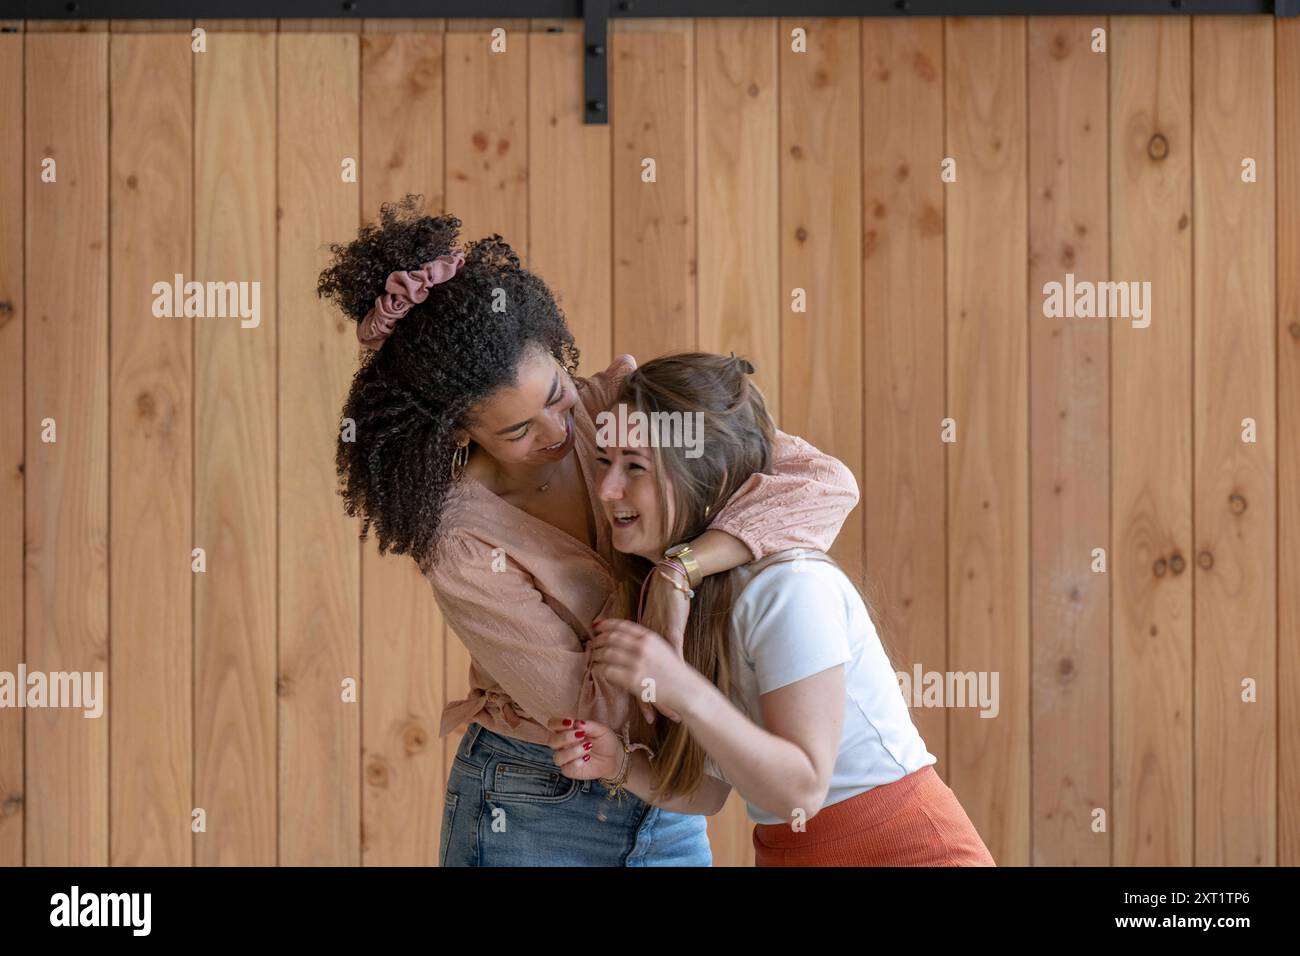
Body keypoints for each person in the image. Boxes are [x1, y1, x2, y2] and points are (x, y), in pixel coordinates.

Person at [318, 198, 860, 865]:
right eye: (518, 431)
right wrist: (703, 710)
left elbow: (822, 483)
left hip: (670, 790)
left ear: (556, 350)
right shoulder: (462, 543)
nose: (559, 433)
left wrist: (680, 569)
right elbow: (600, 712)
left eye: (555, 395)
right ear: (457, 433)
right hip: (534, 802)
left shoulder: (614, 403)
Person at [547, 352, 995, 866]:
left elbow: (801, 789)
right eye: (604, 462)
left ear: (711, 482)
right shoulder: (687, 602)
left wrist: (679, 685)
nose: (608, 490)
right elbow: (709, 793)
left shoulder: (789, 587)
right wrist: (615, 762)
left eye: (636, 467)